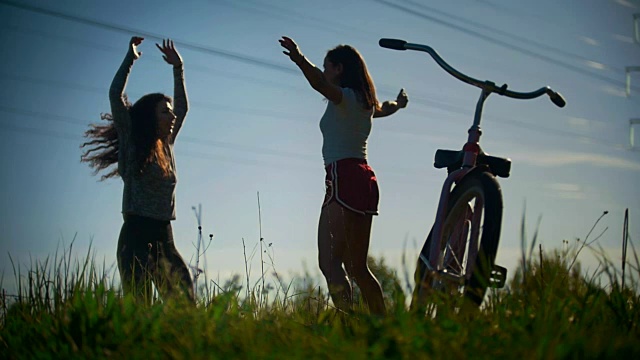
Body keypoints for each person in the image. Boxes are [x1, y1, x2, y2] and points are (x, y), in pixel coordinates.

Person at [279, 36, 408, 315]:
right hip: (365, 179)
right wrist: (399, 104)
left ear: (338, 69)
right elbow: (385, 108)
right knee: (357, 267)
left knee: (329, 262)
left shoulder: (344, 97)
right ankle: (382, 327)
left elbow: (318, 83)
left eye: (328, 67)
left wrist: (299, 58)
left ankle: (349, 328)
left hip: (343, 176)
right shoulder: (364, 102)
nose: (325, 72)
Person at [81, 36, 195, 304]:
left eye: (170, 112)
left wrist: (179, 67)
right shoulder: (132, 141)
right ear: (151, 117)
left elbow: (183, 107)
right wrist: (129, 59)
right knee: (141, 311)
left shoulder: (166, 144)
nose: (172, 116)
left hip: (164, 238)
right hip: (135, 238)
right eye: (165, 112)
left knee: (186, 306)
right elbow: (115, 96)